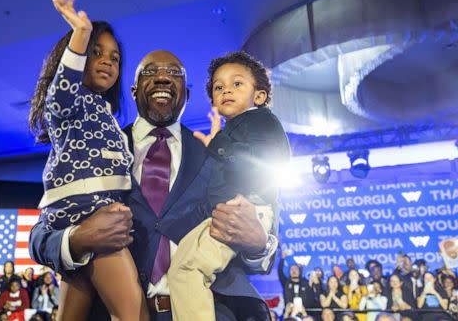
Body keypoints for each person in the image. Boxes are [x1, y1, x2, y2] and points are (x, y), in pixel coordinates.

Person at [30, 45, 278, 321]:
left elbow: (264, 236)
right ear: (134, 90)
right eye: (150, 71)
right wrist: (77, 239)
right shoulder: (92, 148)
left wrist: (259, 245)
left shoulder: (218, 152)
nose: (162, 77)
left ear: (188, 93)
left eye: (174, 72)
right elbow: (40, 236)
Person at [28, 0, 147, 321]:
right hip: (88, 216)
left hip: (86, 223)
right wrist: (80, 35)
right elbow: (61, 91)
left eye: (115, 57)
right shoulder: (73, 100)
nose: (108, 61)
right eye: (97, 53)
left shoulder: (107, 114)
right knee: (134, 315)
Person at [166, 51, 289, 320]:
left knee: (187, 271)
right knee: (180, 268)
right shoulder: (228, 133)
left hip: (244, 210)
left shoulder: (261, 121)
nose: (226, 91)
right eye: (219, 87)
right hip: (223, 211)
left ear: (259, 96)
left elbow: (265, 162)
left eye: (237, 84)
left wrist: (218, 145)